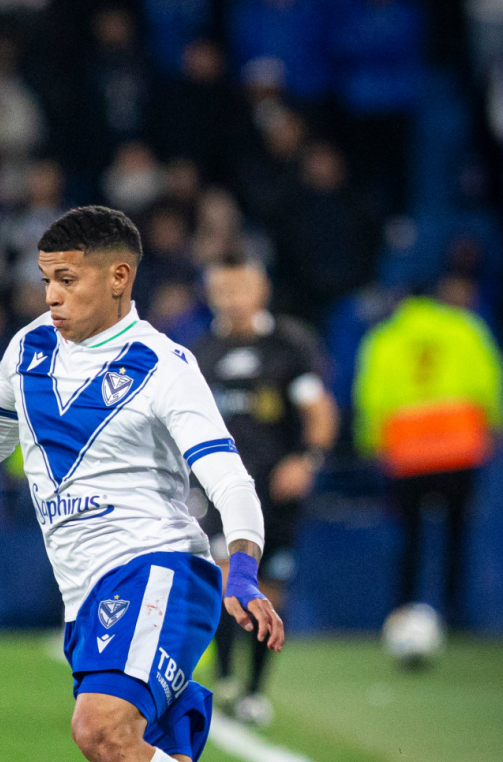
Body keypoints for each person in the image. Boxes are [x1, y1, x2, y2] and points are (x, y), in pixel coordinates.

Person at [0, 206, 283, 762]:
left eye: (67, 280)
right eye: (46, 280)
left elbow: (229, 477)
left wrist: (244, 572)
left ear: (119, 277)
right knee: (128, 747)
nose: (51, 297)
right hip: (83, 593)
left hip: (155, 570)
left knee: (100, 730)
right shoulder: (30, 346)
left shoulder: (165, 366)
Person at [193, 257, 337, 725]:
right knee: (222, 576)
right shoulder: (200, 352)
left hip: (274, 492)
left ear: (262, 290)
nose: (232, 299)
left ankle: (254, 690)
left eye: (241, 288)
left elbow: (318, 410)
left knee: (269, 588)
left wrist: (307, 460)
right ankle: (225, 675)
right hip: (216, 489)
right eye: (222, 290)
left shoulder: (289, 345)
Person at [353, 287, 503, 626]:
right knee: (457, 536)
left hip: (407, 453)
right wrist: (497, 427)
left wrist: (371, 445)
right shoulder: (465, 328)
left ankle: (403, 610)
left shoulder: (384, 337)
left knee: (409, 538)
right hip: (459, 450)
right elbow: (489, 383)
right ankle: (454, 614)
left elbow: (371, 398)